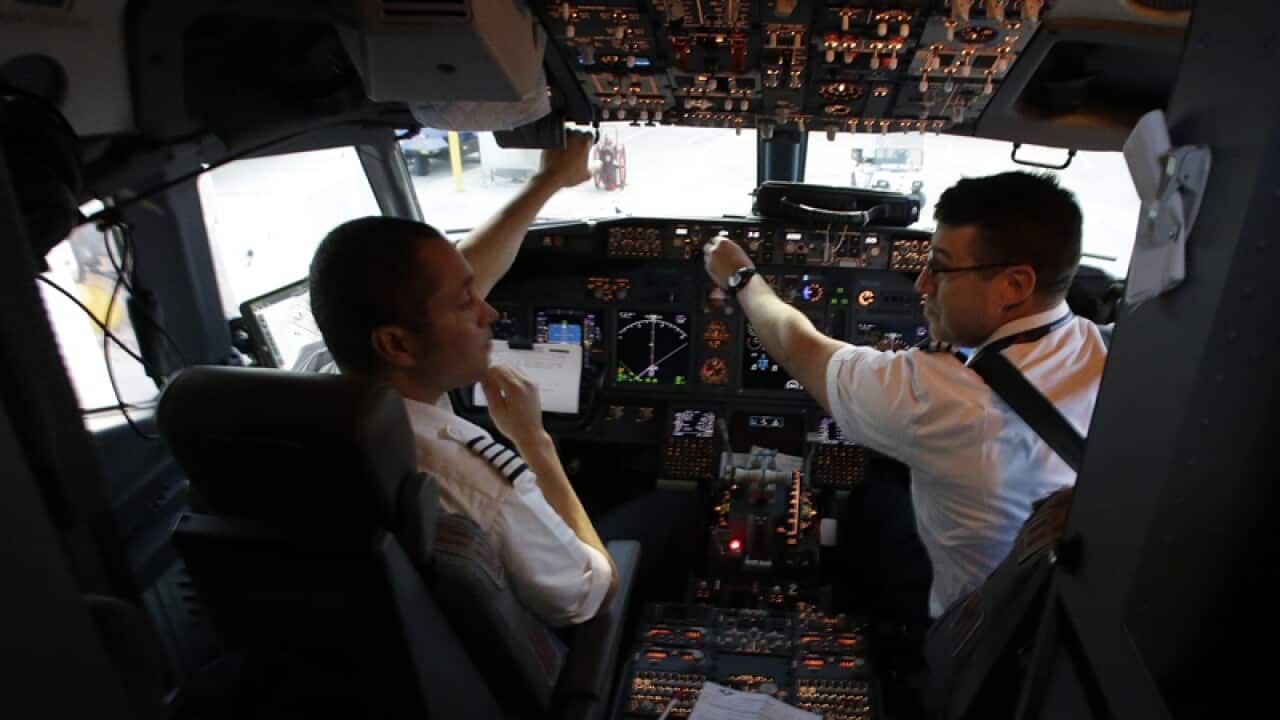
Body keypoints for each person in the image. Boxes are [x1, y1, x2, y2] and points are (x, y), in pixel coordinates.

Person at [702, 171, 1108, 623]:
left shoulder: (937, 392)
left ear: (1015, 286)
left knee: (867, 501)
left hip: (976, 641)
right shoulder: (1118, 354)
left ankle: (889, 650)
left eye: (941, 267)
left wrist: (741, 278)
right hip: (1066, 612)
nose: (922, 285)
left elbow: (796, 345)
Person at [307, 130, 620, 626]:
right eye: (465, 303)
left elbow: (463, 273)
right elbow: (590, 595)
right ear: (398, 344)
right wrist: (533, 442)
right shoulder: (471, 478)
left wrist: (550, 180)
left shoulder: (316, 385)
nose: (490, 311)